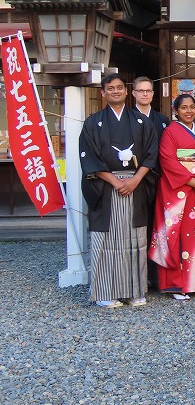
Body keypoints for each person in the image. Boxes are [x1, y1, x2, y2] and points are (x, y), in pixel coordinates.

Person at [79, 74, 159, 308]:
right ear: (102, 92)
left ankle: (135, 290)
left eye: (119, 88)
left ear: (127, 92)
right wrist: (115, 181)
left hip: (136, 185)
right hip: (105, 187)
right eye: (110, 88)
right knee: (106, 239)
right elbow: (89, 157)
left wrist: (135, 180)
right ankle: (105, 291)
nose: (115, 91)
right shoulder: (93, 123)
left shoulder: (142, 122)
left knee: (136, 239)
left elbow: (151, 154)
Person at [150, 93, 195, 300]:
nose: (189, 111)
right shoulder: (170, 132)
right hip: (181, 192)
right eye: (184, 108)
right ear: (175, 111)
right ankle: (177, 285)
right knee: (178, 235)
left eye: (192, 107)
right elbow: (168, 161)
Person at [131, 75, 170, 288]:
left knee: (159, 226)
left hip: (159, 179)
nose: (145, 94)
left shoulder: (162, 120)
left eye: (148, 91)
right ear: (134, 93)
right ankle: (138, 275)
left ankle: (157, 276)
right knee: (138, 226)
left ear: (153, 94)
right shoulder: (128, 118)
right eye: (141, 90)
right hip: (135, 180)